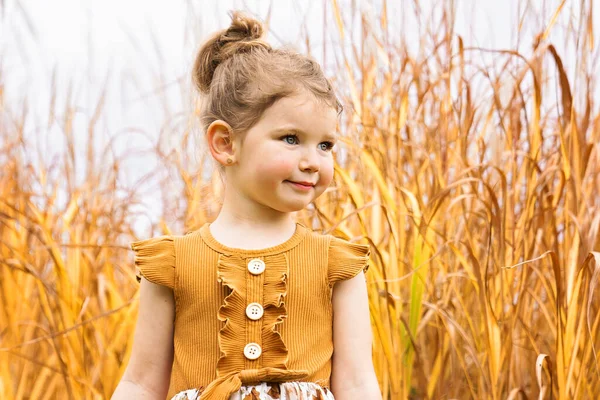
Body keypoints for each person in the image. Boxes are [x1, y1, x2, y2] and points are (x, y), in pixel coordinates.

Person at [111, 10, 381, 400]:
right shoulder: (173, 264)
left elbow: (357, 383)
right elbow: (140, 383)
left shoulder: (335, 263)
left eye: (325, 145)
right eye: (291, 138)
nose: (312, 160)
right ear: (225, 143)